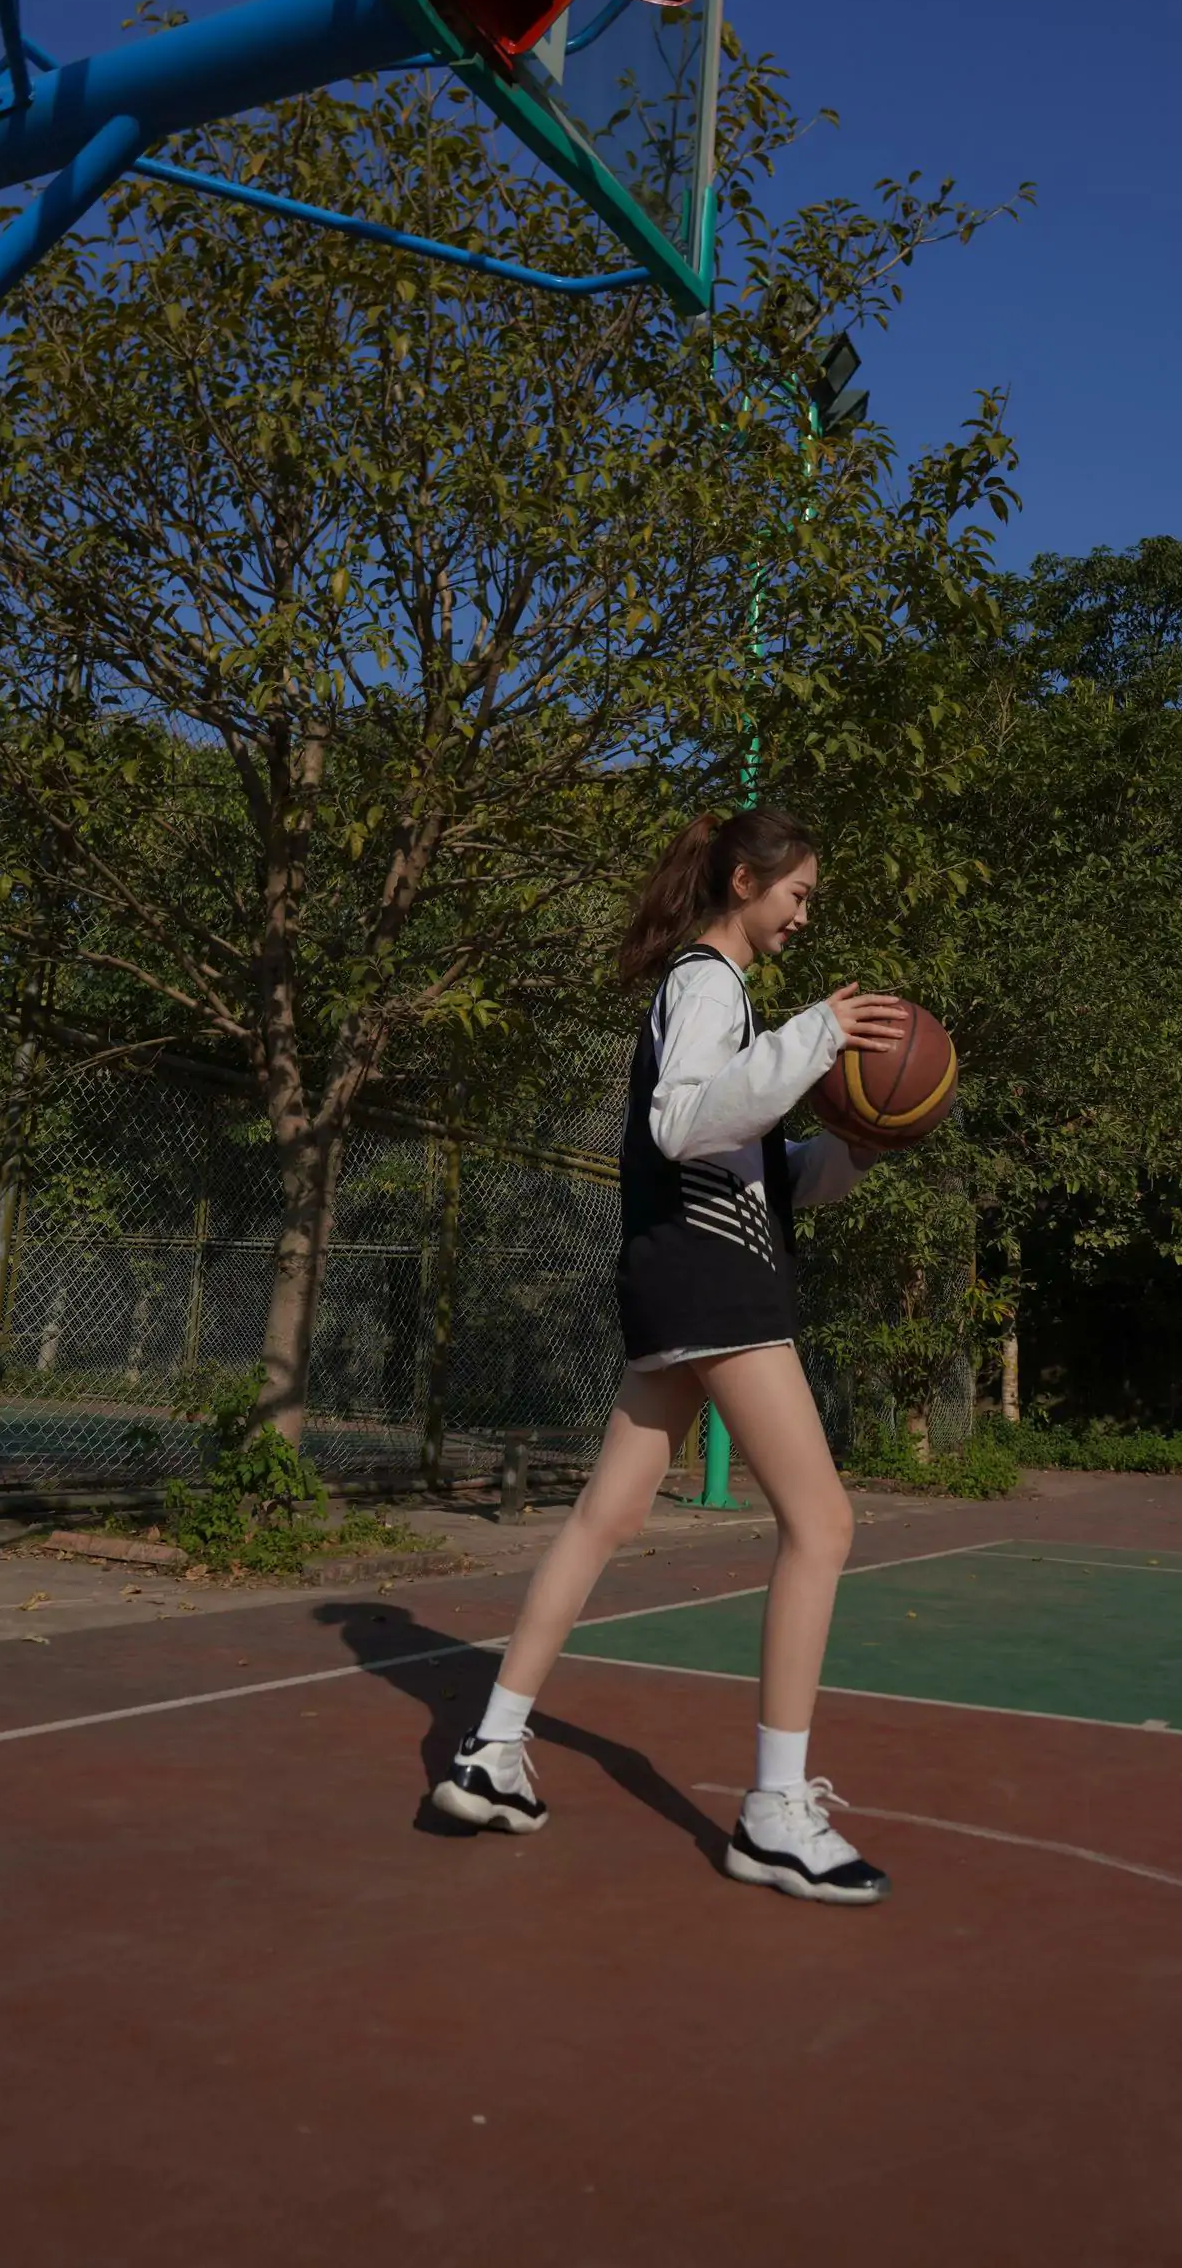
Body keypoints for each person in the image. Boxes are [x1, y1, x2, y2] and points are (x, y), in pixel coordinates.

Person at [433, 807, 908, 1904]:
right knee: (824, 1524)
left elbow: (760, 1172)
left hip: (680, 1277)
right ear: (745, 883)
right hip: (713, 1283)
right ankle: (775, 1815)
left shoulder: (722, 1000)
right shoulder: (707, 985)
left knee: (605, 1516)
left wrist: (857, 1144)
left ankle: (492, 1749)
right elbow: (684, 1123)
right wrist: (816, 1035)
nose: (805, 916)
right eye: (798, 895)